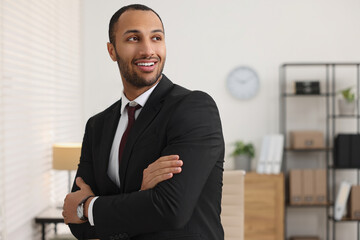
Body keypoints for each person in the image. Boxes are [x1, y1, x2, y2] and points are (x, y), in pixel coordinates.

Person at [62, 4, 225, 240]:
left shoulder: (194, 108)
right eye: (133, 38)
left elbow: (170, 210)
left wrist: (87, 207)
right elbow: (76, 225)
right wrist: (141, 196)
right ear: (112, 50)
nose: (148, 50)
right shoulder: (97, 126)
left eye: (156, 37)